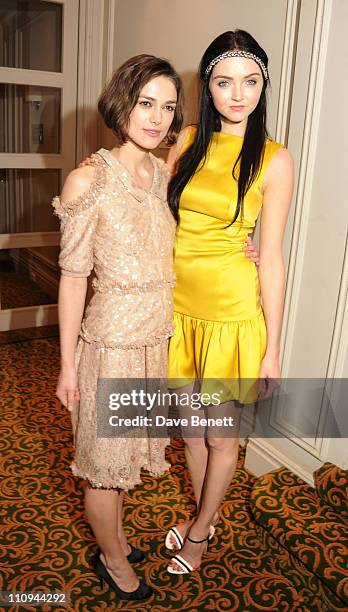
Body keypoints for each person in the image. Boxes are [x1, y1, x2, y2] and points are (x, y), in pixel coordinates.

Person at [53, 54, 184, 601]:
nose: (155, 118)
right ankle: (111, 557)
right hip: (111, 347)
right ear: (122, 103)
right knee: (105, 469)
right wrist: (67, 365)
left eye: (168, 106)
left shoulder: (161, 171)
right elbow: (72, 279)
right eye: (145, 103)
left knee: (127, 461)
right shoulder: (88, 178)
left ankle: (117, 536)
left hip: (154, 341)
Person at [164, 30, 294, 574]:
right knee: (189, 430)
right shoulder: (187, 139)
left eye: (250, 81)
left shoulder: (275, 158)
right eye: (224, 81)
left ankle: (198, 535)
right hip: (177, 308)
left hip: (232, 313)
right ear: (208, 86)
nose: (238, 94)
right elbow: (161, 220)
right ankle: (205, 515)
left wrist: (273, 351)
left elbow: (275, 256)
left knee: (221, 434)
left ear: (263, 87)